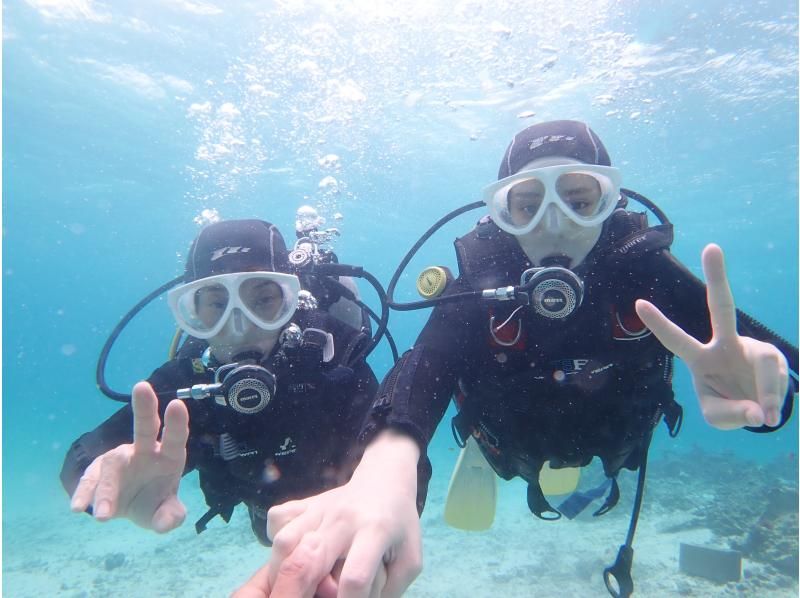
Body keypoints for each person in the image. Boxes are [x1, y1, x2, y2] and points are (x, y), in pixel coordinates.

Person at [234, 120, 798, 598]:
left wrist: (767, 392)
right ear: (501, 213)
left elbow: (775, 365)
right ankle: (490, 455)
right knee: (501, 445)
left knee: (616, 456)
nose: (554, 223)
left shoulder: (644, 272)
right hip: (507, 440)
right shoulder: (482, 280)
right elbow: (424, 366)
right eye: (527, 205)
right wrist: (386, 466)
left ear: (612, 202)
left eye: (579, 200)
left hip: (618, 440)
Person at [61, 218, 379, 545]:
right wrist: (111, 486)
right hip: (265, 515)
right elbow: (81, 462)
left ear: (290, 301)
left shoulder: (332, 356)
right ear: (193, 312)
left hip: (345, 510)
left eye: (263, 301)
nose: (240, 327)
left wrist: (375, 506)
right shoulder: (189, 378)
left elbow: (397, 444)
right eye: (217, 304)